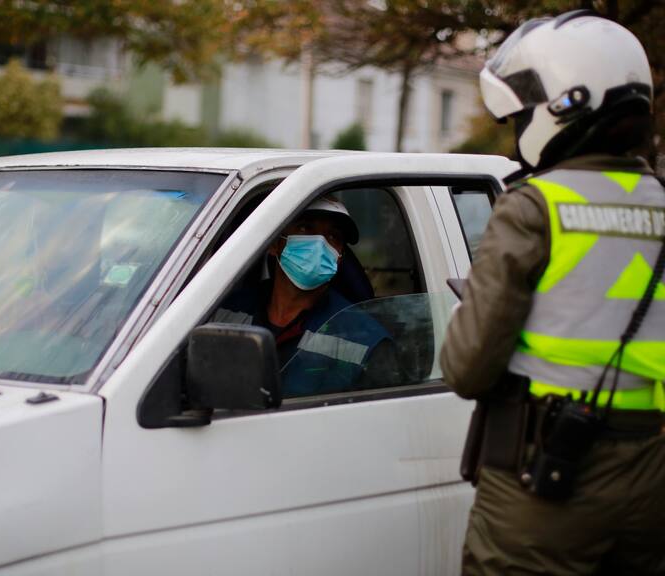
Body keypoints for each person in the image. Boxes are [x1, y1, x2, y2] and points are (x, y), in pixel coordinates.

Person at [440, 10, 665, 575]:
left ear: (563, 104)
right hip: (651, 480)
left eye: (521, 115)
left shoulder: (535, 207)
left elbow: (467, 368)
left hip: (546, 480)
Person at [214, 195, 399, 397]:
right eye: (305, 228)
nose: (319, 245)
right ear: (275, 244)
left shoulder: (366, 339)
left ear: (339, 257)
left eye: (333, 237)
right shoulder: (224, 309)